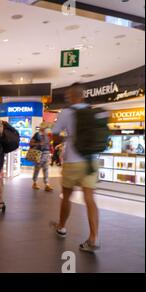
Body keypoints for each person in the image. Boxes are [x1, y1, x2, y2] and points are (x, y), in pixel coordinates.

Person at [51, 83, 100, 253]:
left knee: (67, 196)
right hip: (91, 160)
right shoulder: (92, 111)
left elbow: (55, 135)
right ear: (83, 95)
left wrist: (65, 138)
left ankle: (62, 227)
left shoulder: (66, 112)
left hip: (73, 160)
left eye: (67, 96)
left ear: (72, 96)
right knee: (90, 199)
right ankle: (93, 238)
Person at [30, 123, 54, 192]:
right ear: (43, 128)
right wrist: (39, 144)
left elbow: (49, 144)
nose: (48, 129)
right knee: (37, 169)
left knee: (46, 170)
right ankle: (34, 182)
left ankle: (47, 184)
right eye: (47, 128)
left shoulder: (48, 136)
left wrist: (50, 152)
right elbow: (31, 143)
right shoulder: (37, 135)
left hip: (47, 154)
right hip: (39, 154)